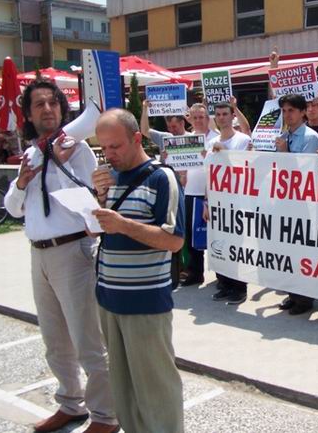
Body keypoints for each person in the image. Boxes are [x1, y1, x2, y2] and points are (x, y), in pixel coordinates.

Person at [4, 79, 118, 433]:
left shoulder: (78, 149)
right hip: (40, 255)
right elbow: (13, 208)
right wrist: (21, 183)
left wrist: (61, 164)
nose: (48, 109)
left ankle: (105, 415)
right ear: (29, 114)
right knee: (55, 340)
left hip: (73, 251)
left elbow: (92, 200)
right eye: (39, 104)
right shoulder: (31, 154)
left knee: (88, 340)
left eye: (53, 103)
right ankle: (71, 403)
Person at [91, 108, 185, 432]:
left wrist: (123, 225)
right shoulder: (109, 178)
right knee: (123, 389)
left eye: (115, 146)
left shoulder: (162, 178)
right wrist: (98, 199)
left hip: (145, 302)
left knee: (156, 389)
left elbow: (174, 241)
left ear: (136, 138)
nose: (109, 154)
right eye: (104, 148)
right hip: (109, 300)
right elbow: (95, 230)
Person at [275, 94, 318, 315]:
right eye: (284, 111)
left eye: (291, 110)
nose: (287, 115)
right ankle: (293, 294)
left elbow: (305, 173)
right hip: (286, 201)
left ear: (303, 112)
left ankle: (305, 299)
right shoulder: (284, 136)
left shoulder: (310, 137)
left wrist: (284, 153)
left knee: (302, 251)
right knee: (288, 250)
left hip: (304, 203)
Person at [208, 102, 252, 304]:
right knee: (219, 244)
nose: (221, 117)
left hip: (237, 202)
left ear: (233, 116)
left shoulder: (243, 140)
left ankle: (239, 288)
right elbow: (209, 174)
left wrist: (225, 152)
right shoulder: (211, 142)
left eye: (225, 114)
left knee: (236, 246)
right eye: (218, 114)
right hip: (217, 203)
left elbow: (245, 169)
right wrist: (206, 202)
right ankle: (224, 284)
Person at [180, 103, 219, 286]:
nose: (198, 120)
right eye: (194, 117)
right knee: (191, 237)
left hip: (211, 195)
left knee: (214, 236)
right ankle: (195, 273)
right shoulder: (186, 139)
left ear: (207, 118)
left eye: (201, 117)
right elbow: (181, 165)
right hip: (190, 192)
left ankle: (222, 276)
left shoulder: (216, 138)